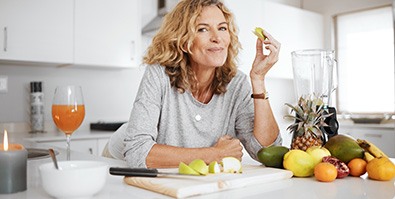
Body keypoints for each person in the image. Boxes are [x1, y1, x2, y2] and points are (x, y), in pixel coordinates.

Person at [117, 0, 282, 168]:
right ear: (183, 40)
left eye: (222, 28)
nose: (217, 38)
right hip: (117, 158)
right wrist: (214, 154)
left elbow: (269, 152)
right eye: (203, 29)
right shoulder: (158, 74)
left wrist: (258, 78)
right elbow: (136, 152)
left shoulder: (237, 84)